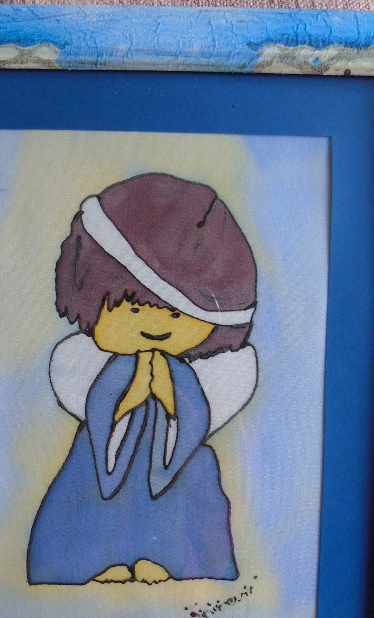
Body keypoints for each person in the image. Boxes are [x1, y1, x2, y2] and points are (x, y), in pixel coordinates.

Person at [27, 173, 258, 585]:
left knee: (194, 483)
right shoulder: (92, 369)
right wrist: (128, 396)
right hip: (105, 455)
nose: (154, 324)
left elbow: (193, 420)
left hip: (178, 461)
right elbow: (100, 412)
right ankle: (96, 561)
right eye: (132, 308)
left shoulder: (194, 376)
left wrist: (171, 396)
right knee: (84, 483)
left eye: (176, 312)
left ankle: (167, 559)